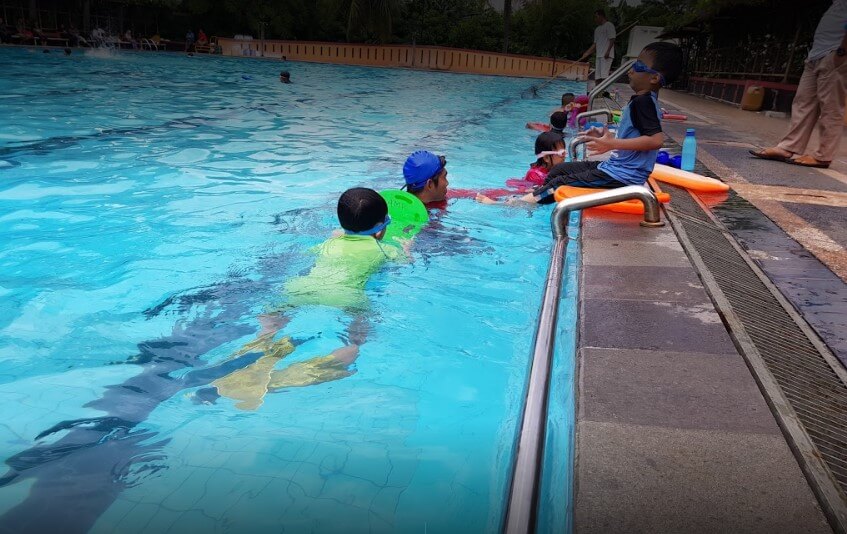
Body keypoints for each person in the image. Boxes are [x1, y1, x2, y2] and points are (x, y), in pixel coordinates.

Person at [210, 187, 405, 410]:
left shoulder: (328, 244)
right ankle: (285, 378)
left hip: (300, 288)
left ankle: (258, 347)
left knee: (270, 320)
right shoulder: (384, 250)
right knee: (355, 343)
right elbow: (402, 261)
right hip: (346, 296)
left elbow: (308, 255)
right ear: (380, 230)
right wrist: (406, 250)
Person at [749, 0, 847, 169]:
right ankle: (788, 147)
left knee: (830, 108)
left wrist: (842, 52)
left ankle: (823, 156)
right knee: (802, 103)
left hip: (835, 55)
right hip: (816, 55)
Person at [577, 9, 616, 87]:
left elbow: (612, 38)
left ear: (601, 16)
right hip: (599, 55)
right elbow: (595, 44)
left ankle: (603, 92)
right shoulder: (597, 29)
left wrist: (608, 51)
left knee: (604, 76)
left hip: (606, 56)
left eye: (596, 17)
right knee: (597, 76)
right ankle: (596, 93)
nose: (595, 19)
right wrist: (586, 53)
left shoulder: (609, 25)